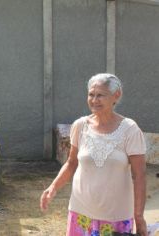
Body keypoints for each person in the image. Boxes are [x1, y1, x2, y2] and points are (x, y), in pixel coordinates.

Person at [40, 73, 148, 236]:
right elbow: (71, 163)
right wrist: (53, 187)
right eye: (91, 94)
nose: (94, 100)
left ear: (116, 95)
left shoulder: (130, 130)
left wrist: (139, 217)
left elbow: (139, 175)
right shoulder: (80, 125)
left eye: (100, 95)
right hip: (81, 212)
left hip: (115, 217)